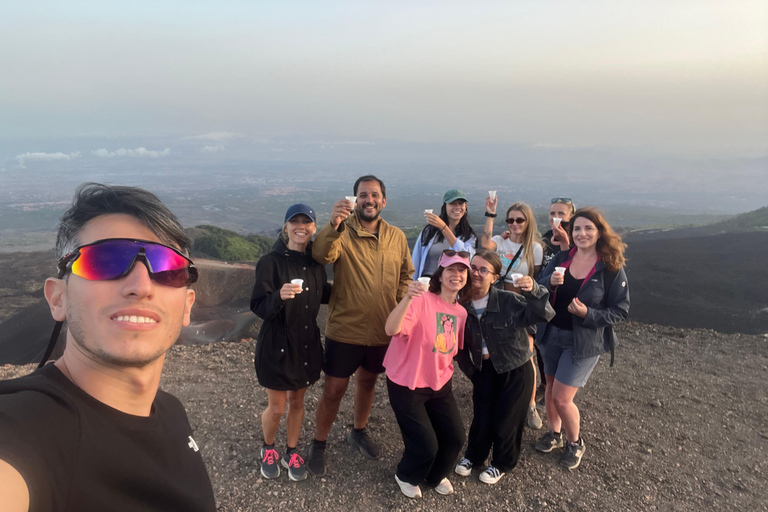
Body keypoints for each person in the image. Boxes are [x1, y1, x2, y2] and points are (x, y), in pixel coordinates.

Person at [0, 183, 216, 512]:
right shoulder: (25, 429)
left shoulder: (171, 411)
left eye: (167, 267)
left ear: (187, 306)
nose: (141, 286)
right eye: (105, 260)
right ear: (58, 298)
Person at [308, 175, 415, 476]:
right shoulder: (342, 231)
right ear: (356, 200)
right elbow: (321, 254)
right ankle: (319, 443)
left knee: (368, 382)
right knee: (334, 389)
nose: (369, 200)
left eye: (375, 194)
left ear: (384, 200)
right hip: (346, 328)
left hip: (382, 329)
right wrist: (333, 224)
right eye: (363, 195)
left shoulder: (396, 236)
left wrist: (400, 311)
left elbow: (406, 275)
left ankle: (358, 430)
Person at [534, 207, 630, 471]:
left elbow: (621, 310)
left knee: (563, 398)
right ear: (570, 232)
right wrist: (550, 283)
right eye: (577, 228)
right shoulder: (561, 258)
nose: (582, 233)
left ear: (599, 232)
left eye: (588, 228)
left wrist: (588, 313)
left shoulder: (610, 268)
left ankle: (575, 442)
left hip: (583, 343)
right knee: (551, 389)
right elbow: (539, 287)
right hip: (550, 334)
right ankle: (554, 434)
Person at [454, 249, 555, 485]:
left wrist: (535, 290)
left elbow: (544, 314)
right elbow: (458, 347)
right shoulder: (460, 306)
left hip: (516, 369)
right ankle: (473, 457)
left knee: (506, 421)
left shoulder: (509, 301)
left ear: (495, 276)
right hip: (484, 370)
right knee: (481, 418)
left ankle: (502, 463)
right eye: (472, 268)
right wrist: (471, 372)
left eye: (483, 270)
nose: (476, 273)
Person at [250, 203, 332, 481]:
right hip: (276, 345)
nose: (301, 226)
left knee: (298, 402)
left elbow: (324, 294)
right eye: (294, 221)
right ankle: (268, 447)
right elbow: (259, 307)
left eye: (306, 222)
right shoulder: (270, 262)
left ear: (314, 228)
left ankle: (292, 450)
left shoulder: (316, 264)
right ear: (285, 227)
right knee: (277, 407)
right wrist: (279, 296)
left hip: (307, 343)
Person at [383, 250, 471, 498]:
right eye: (451, 270)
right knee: (425, 444)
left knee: (455, 438)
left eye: (462, 270)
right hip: (406, 382)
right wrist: (408, 298)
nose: (456, 275)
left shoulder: (461, 313)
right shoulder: (421, 300)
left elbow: (451, 350)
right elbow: (391, 328)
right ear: (440, 275)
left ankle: (434, 475)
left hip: (439, 383)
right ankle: (406, 474)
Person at [480, 197, 545, 429]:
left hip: (521, 306)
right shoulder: (500, 240)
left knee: (526, 353)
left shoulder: (535, 248)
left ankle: (529, 404)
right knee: (498, 349)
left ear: (528, 222)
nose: (515, 224)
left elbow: (536, 279)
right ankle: (503, 395)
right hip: (499, 303)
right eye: (510, 220)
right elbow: (485, 246)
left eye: (520, 220)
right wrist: (490, 215)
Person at [411, 189, 477, 279]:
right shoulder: (430, 231)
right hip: (427, 283)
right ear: (445, 207)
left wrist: (443, 228)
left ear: (465, 207)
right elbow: (416, 258)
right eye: (452, 203)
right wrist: (412, 282)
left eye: (461, 203)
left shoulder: (469, 236)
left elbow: (468, 257)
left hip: (452, 285)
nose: (457, 207)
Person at [541, 197, 576, 269]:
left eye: (561, 213)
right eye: (552, 213)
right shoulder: (545, 238)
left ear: (571, 217)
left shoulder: (576, 240)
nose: (556, 217)